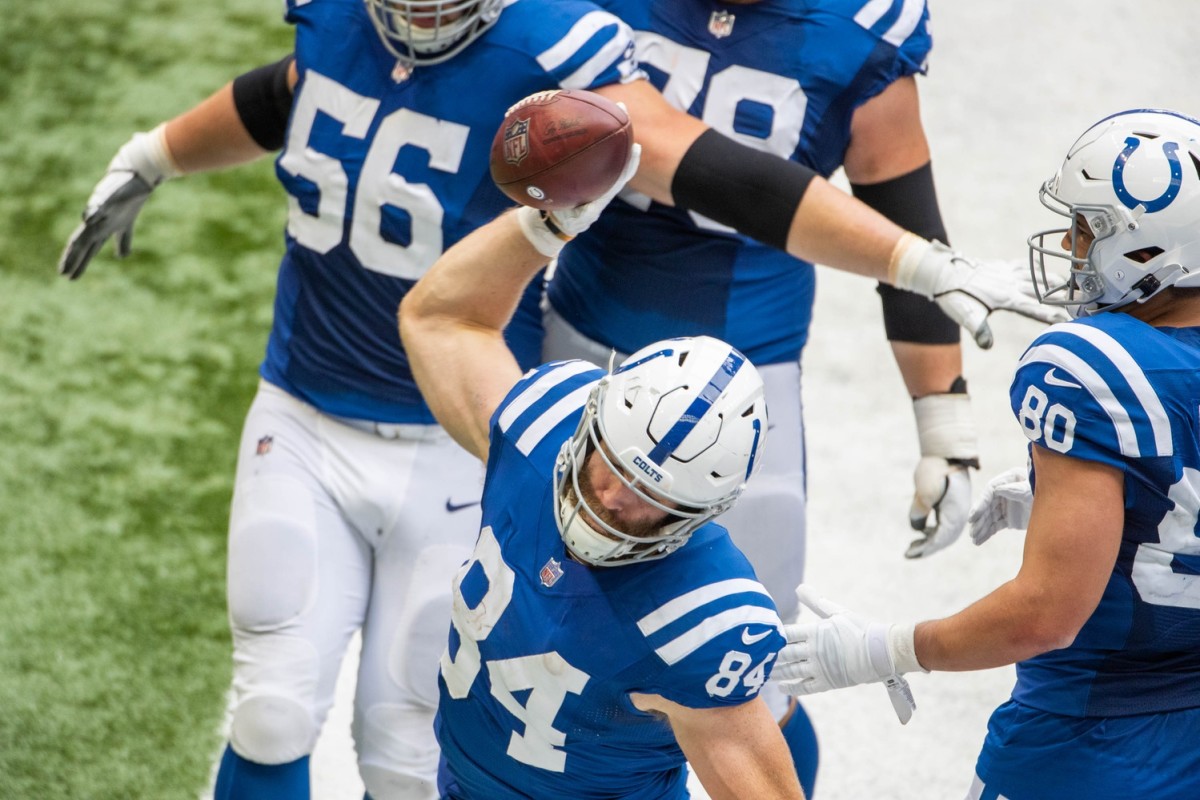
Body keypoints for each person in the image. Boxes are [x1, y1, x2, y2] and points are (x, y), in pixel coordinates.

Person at [57, 0, 1056, 795]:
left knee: (706, 685)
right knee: (386, 686)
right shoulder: (540, 418)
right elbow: (298, 95)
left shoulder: (580, 45)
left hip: (623, 401)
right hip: (471, 372)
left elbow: (727, 172)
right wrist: (156, 151)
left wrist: (922, 301)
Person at [539, 1, 1005, 789]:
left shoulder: (859, 31)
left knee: (754, 677)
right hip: (583, 346)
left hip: (742, 395)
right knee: (551, 643)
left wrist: (945, 424)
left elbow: (908, 226)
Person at [771, 108, 1200, 800]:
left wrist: (888, 647)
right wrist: (1118, 505)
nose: (1069, 240)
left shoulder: (1093, 367)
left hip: (1092, 744)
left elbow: (1045, 616)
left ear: (1152, 253)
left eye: (1089, 227)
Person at [399, 146, 804, 800]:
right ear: (587, 424)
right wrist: (541, 227)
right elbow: (441, 319)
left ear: (699, 515)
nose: (611, 498)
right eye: (609, 463)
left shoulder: (697, 617)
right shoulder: (540, 424)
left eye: (651, 499)